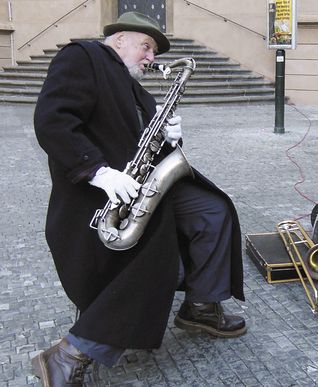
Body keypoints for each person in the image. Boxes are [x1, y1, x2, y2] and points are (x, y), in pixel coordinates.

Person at [32, 12, 246, 386]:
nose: (151, 58)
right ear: (119, 40)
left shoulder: (135, 86)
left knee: (213, 210)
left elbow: (150, 146)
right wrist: (98, 171)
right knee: (156, 261)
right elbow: (52, 120)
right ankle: (71, 353)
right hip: (98, 195)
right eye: (146, 47)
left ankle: (200, 306)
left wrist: (171, 137)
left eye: (154, 51)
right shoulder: (82, 57)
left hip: (144, 186)